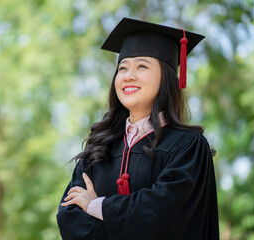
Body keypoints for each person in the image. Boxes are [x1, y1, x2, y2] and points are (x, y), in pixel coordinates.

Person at [56, 17, 219, 240]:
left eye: (142, 66)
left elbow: (165, 215)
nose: (128, 75)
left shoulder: (188, 147)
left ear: (167, 76)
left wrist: (96, 206)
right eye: (122, 68)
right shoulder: (99, 149)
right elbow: (69, 218)